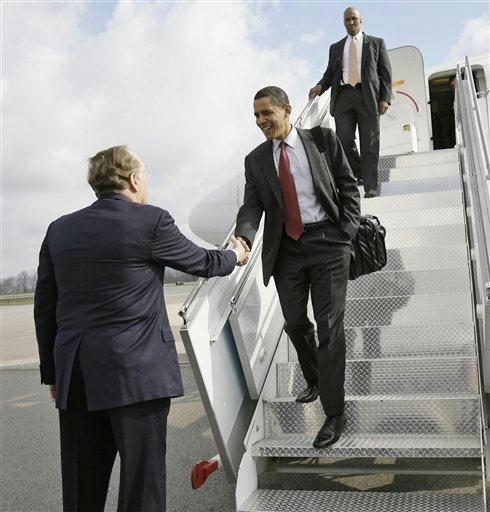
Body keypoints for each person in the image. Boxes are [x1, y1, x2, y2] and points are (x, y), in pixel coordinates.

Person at [34, 145, 248, 512]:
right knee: (142, 486)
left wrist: (55, 374)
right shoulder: (150, 221)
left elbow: (45, 308)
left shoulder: (59, 229)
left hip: (77, 375)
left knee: (82, 487)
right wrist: (236, 254)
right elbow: (202, 262)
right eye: (145, 174)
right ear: (133, 180)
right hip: (135, 376)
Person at [235, 86, 360, 449]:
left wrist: (347, 232)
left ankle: (334, 413)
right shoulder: (256, 160)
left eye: (266, 113)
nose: (260, 121)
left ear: (287, 109)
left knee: (329, 327)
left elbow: (347, 185)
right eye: (255, 116)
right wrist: (243, 237)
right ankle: (316, 378)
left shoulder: (322, 140)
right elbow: (251, 206)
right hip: (287, 250)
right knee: (294, 321)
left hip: (328, 243)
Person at [309, 6, 392, 198]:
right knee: (343, 140)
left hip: (368, 96)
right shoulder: (336, 47)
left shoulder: (376, 43)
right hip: (343, 96)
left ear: (361, 20)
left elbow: (386, 73)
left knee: (369, 143)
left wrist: (385, 98)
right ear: (344, 23)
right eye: (347, 20)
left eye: (354, 18)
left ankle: (371, 186)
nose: (351, 22)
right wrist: (319, 87)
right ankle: (360, 172)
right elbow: (330, 73)